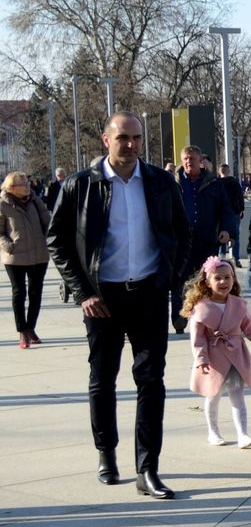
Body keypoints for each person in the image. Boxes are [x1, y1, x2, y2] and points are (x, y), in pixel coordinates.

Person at [47, 112, 190, 498]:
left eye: (137, 138)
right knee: (102, 377)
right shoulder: (81, 185)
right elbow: (57, 240)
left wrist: (170, 279)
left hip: (148, 294)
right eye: (123, 137)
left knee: (151, 380)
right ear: (106, 139)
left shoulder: (160, 182)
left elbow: (182, 234)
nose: (131, 145)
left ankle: (148, 468)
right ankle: (106, 452)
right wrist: (84, 292)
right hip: (102, 299)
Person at [182, 256, 251, 448]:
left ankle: (243, 435)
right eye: (217, 278)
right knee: (213, 396)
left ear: (233, 279)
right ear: (207, 281)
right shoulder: (201, 307)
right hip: (213, 358)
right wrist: (201, 359)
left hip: (236, 356)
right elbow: (198, 338)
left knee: (238, 396)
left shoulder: (238, 304)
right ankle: (213, 432)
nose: (223, 282)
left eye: (227, 277)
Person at [172, 146, 235, 334]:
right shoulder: (173, 183)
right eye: (185, 158)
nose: (188, 162)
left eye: (192, 158)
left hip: (206, 240)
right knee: (179, 281)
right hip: (181, 241)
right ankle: (180, 319)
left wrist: (226, 230)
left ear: (200, 161)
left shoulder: (213, 183)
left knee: (207, 280)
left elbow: (226, 210)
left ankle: (207, 318)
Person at [1, 171, 52, 348]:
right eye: (23, 184)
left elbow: (48, 222)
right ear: (12, 187)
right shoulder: (2, 204)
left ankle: (31, 328)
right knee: (19, 293)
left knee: (35, 293)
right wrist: (9, 246)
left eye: (28, 183)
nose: (28, 187)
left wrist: (49, 240)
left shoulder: (35, 201)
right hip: (15, 256)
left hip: (39, 255)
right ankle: (22, 331)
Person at [217, 164, 246, 267]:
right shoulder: (234, 182)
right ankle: (236, 258)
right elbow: (240, 196)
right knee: (235, 236)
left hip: (221, 213)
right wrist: (241, 209)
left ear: (220, 171)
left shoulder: (217, 183)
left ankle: (221, 257)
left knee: (221, 235)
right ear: (228, 171)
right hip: (234, 212)